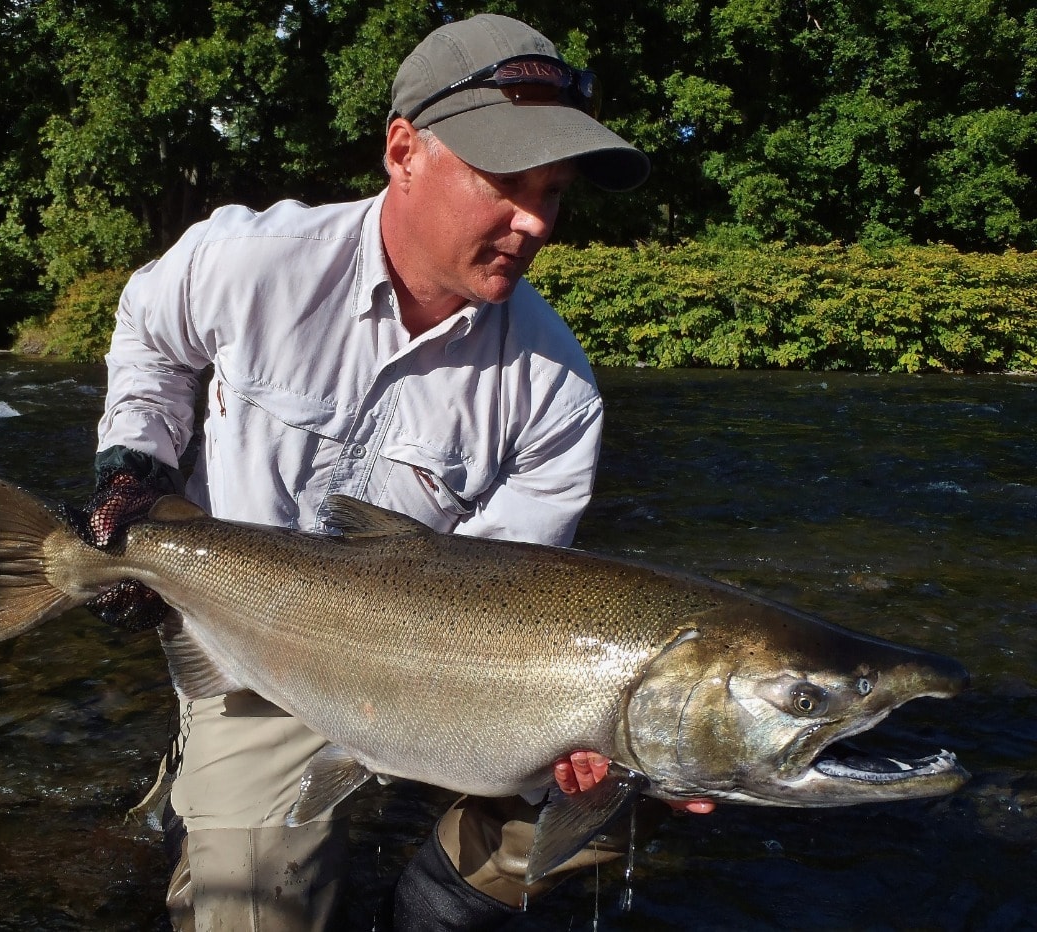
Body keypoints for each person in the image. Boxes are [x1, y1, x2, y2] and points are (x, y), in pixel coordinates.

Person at [83, 12, 710, 931]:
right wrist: (133, 463)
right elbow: (149, 330)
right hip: (253, 655)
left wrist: (600, 741)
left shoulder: (556, 391)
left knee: (622, 800)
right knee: (259, 914)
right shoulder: (249, 262)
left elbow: (504, 606)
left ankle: (426, 910)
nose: (535, 221)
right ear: (403, 150)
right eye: (506, 181)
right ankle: (207, 788)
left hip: (437, 680)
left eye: (554, 191)